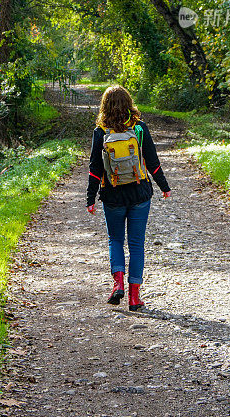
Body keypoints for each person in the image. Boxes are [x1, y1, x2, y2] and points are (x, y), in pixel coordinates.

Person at [86, 84, 171, 311]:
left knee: (115, 240)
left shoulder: (101, 132)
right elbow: (152, 162)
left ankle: (117, 286)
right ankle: (134, 297)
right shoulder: (140, 128)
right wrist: (164, 186)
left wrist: (90, 198)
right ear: (129, 103)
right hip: (139, 193)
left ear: (105, 106)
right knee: (136, 245)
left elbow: (95, 168)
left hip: (112, 194)